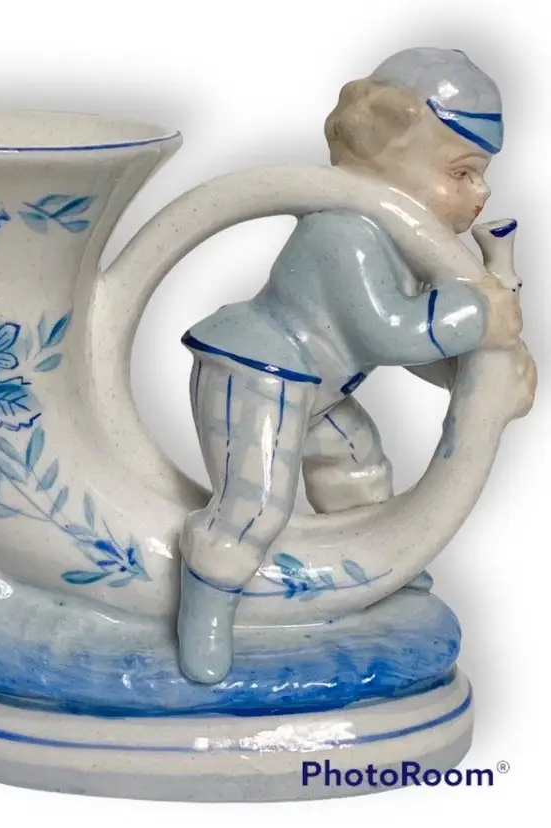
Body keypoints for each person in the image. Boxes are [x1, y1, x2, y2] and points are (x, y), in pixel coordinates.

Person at [176, 47, 523, 684]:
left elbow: (414, 346)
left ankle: (375, 566)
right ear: (389, 162)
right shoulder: (345, 232)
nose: (482, 192)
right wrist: (477, 312)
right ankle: (206, 611)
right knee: (254, 506)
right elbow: (388, 331)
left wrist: (473, 380)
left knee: (357, 466)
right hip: (261, 373)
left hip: (321, 388)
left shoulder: (398, 244)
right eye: (463, 173)